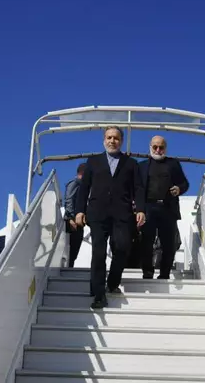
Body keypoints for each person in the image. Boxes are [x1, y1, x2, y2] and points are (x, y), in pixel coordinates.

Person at [75, 126, 146, 308]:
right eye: (109, 137)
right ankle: (99, 295)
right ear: (104, 140)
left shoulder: (131, 164)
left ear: (120, 141)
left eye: (115, 138)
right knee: (98, 253)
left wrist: (140, 209)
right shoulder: (93, 162)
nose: (112, 141)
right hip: (97, 214)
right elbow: (84, 188)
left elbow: (138, 188)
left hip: (122, 214)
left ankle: (113, 283)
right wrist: (79, 211)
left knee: (122, 248)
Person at [139, 135, 189, 279]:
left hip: (168, 209)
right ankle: (147, 272)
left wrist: (179, 189)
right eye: (155, 147)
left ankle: (165, 273)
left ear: (165, 148)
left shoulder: (173, 164)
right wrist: (139, 209)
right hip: (148, 208)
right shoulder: (141, 166)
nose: (158, 150)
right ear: (150, 147)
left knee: (169, 244)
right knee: (146, 242)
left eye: (161, 147)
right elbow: (137, 188)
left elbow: (185, 183)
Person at [63, 163, 86, 268]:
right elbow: (69, 200)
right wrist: (70, 218)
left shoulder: (83, 186)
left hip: (79, 222)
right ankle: (69, 266)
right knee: (72, 247)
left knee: (76, 247)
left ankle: (70, 265)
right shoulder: (75, 183)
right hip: (72, 221)